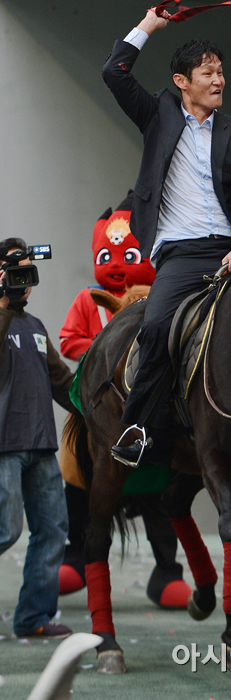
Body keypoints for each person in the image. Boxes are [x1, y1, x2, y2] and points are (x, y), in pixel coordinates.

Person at [102, 6, 231, 466]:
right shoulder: (157, 116)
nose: (219, 81)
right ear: (181, 81)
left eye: (221, 72)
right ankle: (137, 428)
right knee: (154, 328)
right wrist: (148, 25)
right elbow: (114, 73)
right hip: (181, 254)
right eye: (207, 73)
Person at [58, 194, 192, 609]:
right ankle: (75, 555)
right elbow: (68, 340)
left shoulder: (160, 296)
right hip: (98, 407)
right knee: (79, 473)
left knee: (157, 486)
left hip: (148, 409)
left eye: (129, 253)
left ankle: (167, 569)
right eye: (108, 254)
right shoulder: (87, 298)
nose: (116, 263)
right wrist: (101, 355)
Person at [0, 238, 74, 639]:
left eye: (27, 272)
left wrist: (101, 409)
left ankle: (33, 619)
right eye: (14, 272)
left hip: (42, 445)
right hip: (3, 447)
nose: (22, 281)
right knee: (5, 530)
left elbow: (62, 382)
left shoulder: (37, 327)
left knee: (52, 530)